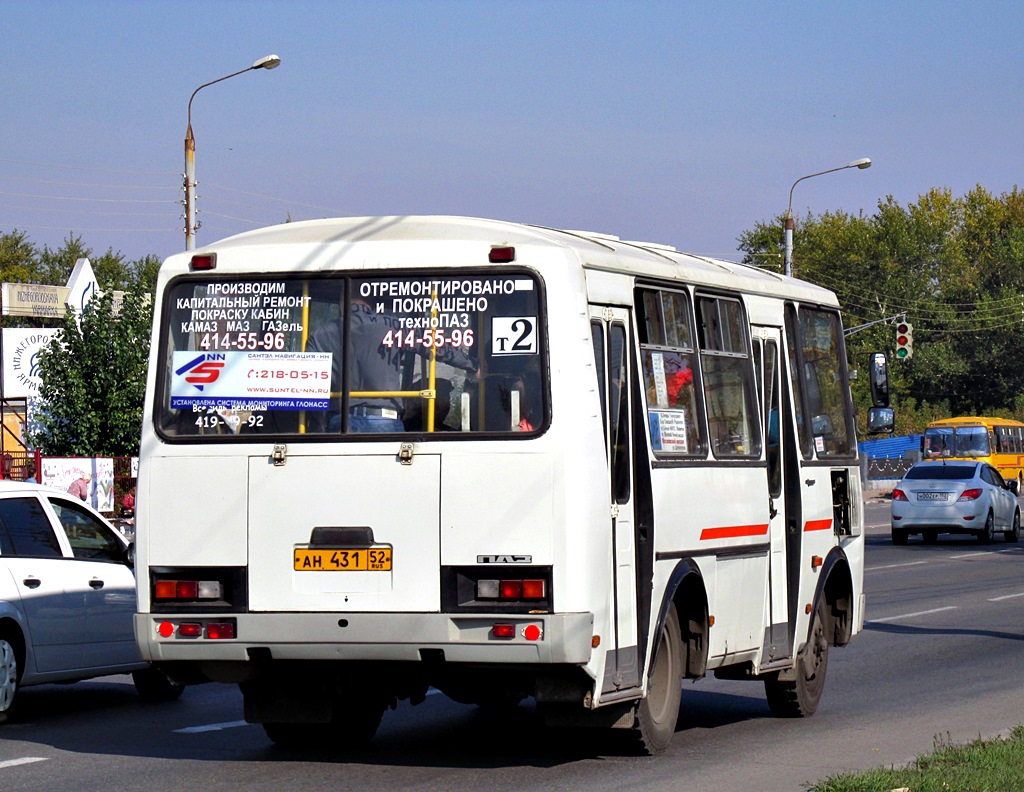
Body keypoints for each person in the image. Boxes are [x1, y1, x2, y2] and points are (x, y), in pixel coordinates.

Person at [307, 291, 476, 433]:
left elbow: (308, 384)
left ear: (341, 303)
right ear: (373, 305)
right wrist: (473, 365)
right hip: (384, 421)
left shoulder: (319, 335)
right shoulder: (393, 326)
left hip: (341, 423)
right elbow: (434, 345)